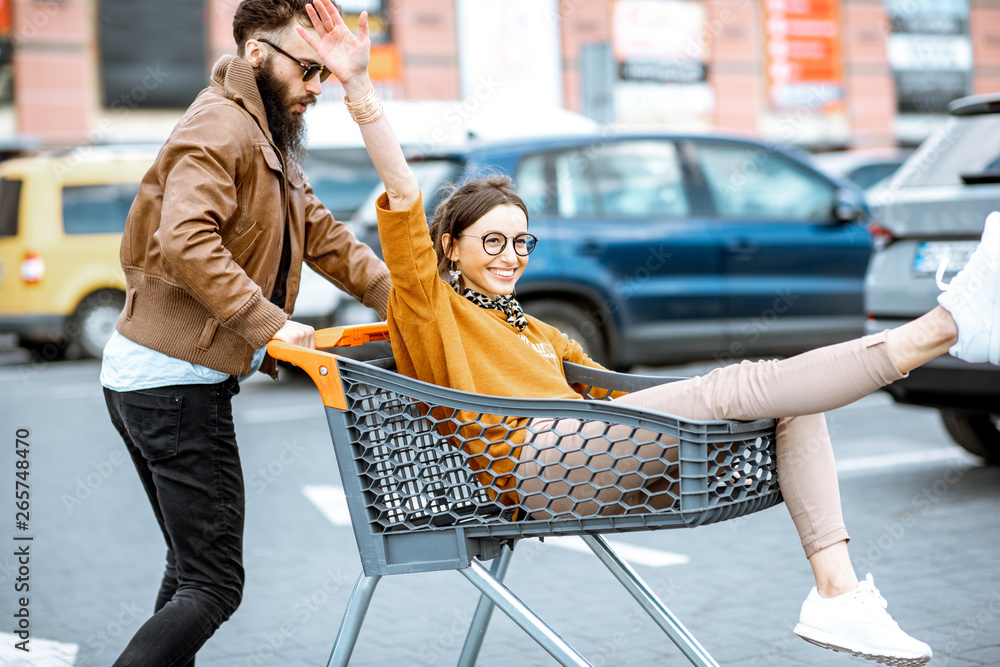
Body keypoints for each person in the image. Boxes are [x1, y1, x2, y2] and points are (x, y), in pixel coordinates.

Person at [298, 1, 1000, 663]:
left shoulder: (535, 328)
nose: (510, 257)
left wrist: (698, 398)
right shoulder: (429, 306)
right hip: (535, 461)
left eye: (522, 242)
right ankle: (942, 328)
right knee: (745, 380)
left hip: (584, 449)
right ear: (449, 247)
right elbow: (402, 191)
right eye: (491, 242)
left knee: (792, 393)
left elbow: (608, 391)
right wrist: (359, 86)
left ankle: (838, 592)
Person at [99, 1, 390, 664]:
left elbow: (330, 240)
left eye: (323, 73)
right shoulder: (219, 125)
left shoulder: (265, 133)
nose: (317, 86)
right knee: (214, 582)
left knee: (191, 569)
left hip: (162, 379)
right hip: (171, 383)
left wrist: (416, 306)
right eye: (308, 69)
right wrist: (274, 326)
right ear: (256, 54)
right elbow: (186, 240)